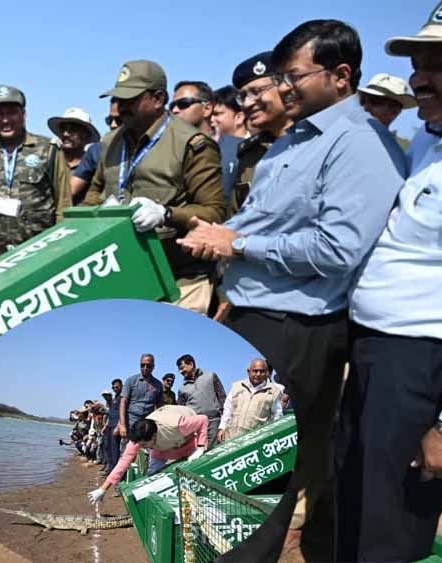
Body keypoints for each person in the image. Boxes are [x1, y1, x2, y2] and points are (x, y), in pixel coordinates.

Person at [178, 20, 407, 562]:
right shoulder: (295, 140)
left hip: (297, 329)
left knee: (259, 474)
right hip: (254, 314)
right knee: (235, 464)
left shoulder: (360, 144)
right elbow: (263, 222)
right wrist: (225, 250)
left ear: (341, 75)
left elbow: (337, 249)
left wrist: (237, 246)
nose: (283, 89)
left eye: (293, 77)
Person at [337, 3, 442, 559]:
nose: (418, 80)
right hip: (373, 354)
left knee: (390, 535)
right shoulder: (430, 140)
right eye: (417, 65)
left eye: (440, 65)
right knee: (353, 513)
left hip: (420, 366)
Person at [84, 60, 224, 316]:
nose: (121, 107)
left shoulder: (191, 144)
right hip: (125, 271)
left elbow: (214, 213)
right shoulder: (110, 143)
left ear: (158, 99)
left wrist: (166, 214)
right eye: (118, 99)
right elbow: (94, 191)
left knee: (173, 341)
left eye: (130, 99)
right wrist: (99, 210)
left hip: (180, 279)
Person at [0, 85, 72, 265]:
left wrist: (59, 248)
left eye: (11, 113)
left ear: (23, 115)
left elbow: (63, 204)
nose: (5, 120)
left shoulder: (48, 150)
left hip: (39, 251)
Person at [87, 405, 209, 506]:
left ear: (154, 436)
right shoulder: (139, 437)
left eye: (144, 444)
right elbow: (123, 462)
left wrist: (200, 447)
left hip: (187, 442)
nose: (141, 447)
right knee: (153, 478)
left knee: (191, 476)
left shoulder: (177, 424)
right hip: (160, 450)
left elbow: (203, 419)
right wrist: (103, 489)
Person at [228, 51, 293, 216]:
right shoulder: (250, 153)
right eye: (243, 96)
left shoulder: (314, 141)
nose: (247, 103)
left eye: (256, 91)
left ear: (283, 86)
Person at [218, 358, 284, 442]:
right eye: (255, 371)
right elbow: (227, 409)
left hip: (255, 442)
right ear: (248, 371)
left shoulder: (274, 392)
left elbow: (277, 415)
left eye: (262, 371)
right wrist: (222, 428)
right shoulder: (237, 386)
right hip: (230, 438)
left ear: (266, 372)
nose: (258, 374)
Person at [46, 107, 100, 204]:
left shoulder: (94, 164)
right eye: (63, 129)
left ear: (85, 134)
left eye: (72, 130)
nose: (65, 134)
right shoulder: (50, 160)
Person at [70, 100, 118, 205]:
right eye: (109, 120)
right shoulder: (96, 151)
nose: (113, 125)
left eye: (119, 120)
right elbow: (70, 190)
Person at [176, 354, 226, 448]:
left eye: (182, 368)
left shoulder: (210, 376)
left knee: (215, 449)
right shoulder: (182, 388)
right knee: (199, 451)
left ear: (191, 364)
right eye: (179, 370)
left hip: (213, 422)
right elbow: (181, 410)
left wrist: (224, 421)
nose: (181, 371)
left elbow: (222, 397)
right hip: (196, 425)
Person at [358, 72, 418, 149]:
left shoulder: (392, 150)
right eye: (362, 101)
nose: (365, 107)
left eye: (374, 102)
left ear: (394, 111)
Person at [211, 85, 247, 207]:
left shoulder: (259, 149)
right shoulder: (213, 147)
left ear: (239, 117)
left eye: (217, 114)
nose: (211, 119)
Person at [116, 354, 164, 443]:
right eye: (142, 365)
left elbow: (160, 407)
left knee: (145, 450)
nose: (145, 368)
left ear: (153, 367)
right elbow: (123, 403)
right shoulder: (131, 381)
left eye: (148, 366)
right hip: (130, 423)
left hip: (147, 426)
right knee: (127, 450)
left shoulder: (158, 385)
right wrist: (122, 425)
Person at [105, 378, 124, 474]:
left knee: (114, 448)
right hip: (110, 425)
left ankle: (114, 470)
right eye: (113, 387)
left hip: (116, 425)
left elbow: (123, 413)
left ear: (121, 386)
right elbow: (110, 412)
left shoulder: (122, 398)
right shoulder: (115, 398)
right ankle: (109, 467)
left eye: (117, 387)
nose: (115, 389)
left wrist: (118, 426)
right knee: (107, 446)